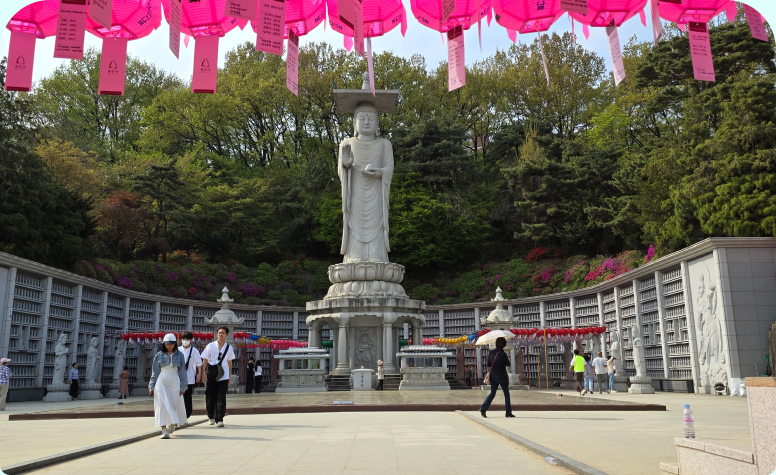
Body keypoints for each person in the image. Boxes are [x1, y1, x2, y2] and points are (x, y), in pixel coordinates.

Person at [149, 333, 188, 439]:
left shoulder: (180, 355)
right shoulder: (159, 355)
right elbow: (155, 372)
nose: (169, 346)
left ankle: (172, 421)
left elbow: (183, 373)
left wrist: (183, 387)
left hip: (175, 382)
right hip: (161, 381)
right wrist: (151, 387)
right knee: (161, 405)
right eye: (167, 344)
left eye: (171, 343)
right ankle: (164, 430)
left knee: (173, 404)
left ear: (175, 344)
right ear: (164, 344)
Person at [201, 326, 236, 427]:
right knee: (210, 396)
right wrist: (203, 373)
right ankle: (211, 416)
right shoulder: (210, 346)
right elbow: (205, 360)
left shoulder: (229, 348)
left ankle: (220, 419)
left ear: (227, 335)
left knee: (221, 397)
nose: (220, 334)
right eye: (219, 333)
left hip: (223, 376)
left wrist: (229, 377)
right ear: (217, 334)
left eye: (223, 333)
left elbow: (230, 363)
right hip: (211, 375)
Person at [480, 337, 514, 418]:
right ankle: (508, 412)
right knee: (506, 394)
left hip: (493, 375)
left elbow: (488, 364)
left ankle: (483, 408)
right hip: (502, 376)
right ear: (504, 345)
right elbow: (508, 364)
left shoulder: (491, 353)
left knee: (492, 393)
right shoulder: (503, 354)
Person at [179, 332, 202, 422]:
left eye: (187, 339)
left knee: (187, 397)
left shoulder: (194, 351)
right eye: (184, 339)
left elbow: (199, 363)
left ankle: (186, 415)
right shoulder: (177, 349)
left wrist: (199, 374)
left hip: (189, 377)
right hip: (178, 378)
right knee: (178, 397)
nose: (185, 341)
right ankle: (179, 417)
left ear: (191, 340)